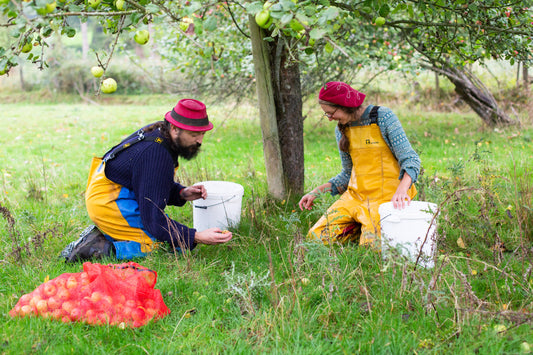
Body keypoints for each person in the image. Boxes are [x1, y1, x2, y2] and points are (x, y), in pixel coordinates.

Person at [63, 98, 232, 262]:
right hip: (109, 202)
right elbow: (153, 218)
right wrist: (197, 236)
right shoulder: (156, 153)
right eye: (194, 134)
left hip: (116, 190)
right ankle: (98, 248)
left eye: (202, 133)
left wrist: (181, 193)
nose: (200, 141)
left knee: (175, 239)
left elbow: (148, 182)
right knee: (167, 246)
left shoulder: (161, 134)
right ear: (174, 128)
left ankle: (110, 234)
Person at [298, 81, 420, 247]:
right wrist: (317, 192)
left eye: (331, 113)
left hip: (387, 199)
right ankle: (360, 227)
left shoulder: (382, 117)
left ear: (345, 105)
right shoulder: (341, 129)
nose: (330, 119)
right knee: (316, 237)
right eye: (327, 115)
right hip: (356, 197)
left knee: (371, 247)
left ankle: (369, 231)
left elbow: (411, 159)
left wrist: (401, 189)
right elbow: (348, 174)